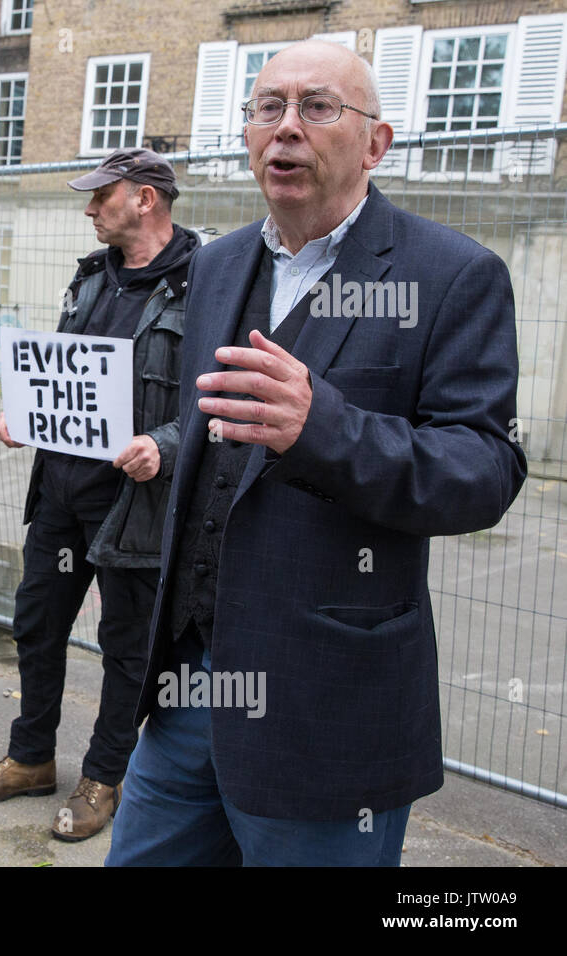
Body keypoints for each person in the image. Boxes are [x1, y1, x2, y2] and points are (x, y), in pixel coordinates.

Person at [105, 40, 527, 866]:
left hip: (327, 711)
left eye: (317, 107)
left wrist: (325, 430)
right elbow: (213, 444)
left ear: (376, 143)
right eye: (268, 108)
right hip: (188, 689)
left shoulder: (452, 276)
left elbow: (483, 470)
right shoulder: (218, 265)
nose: (286, 129)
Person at [0, 148, 200, 842]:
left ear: (146, 199)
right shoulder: (90, 277)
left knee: (126, 644)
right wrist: (23, 414)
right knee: (36, 624)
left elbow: (213, 400)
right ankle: (31, 757)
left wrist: (168, 445)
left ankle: (105, 776)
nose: (89, 208)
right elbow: (62, 377)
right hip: (61, 491)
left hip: (133, 503)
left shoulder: (203, 281)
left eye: (102, 196)